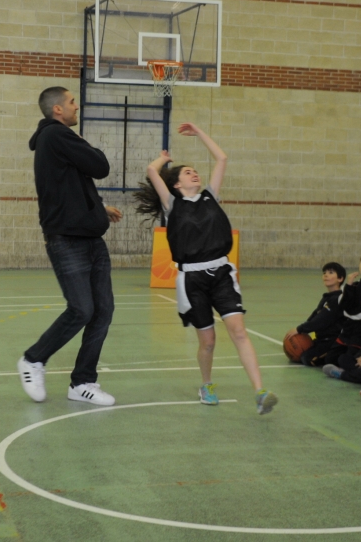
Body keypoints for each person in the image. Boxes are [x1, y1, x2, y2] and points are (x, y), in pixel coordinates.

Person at [134, 123, 278, 415]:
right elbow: (151, 170)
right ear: (177, 184)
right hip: (192, 279)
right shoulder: (172, 204)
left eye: (195, 171)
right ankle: (207, 384)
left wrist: (199, 133)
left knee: (238, 331)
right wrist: (164, 159)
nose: (194, 174)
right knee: (208, 342)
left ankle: (260, 391)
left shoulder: (211, 196)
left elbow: (222, 158)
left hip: (222, 273)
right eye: (188, 172)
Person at [18, 87, 124, 406]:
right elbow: (100, 166)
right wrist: (88, 148)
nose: (76, 106)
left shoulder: (55, 142)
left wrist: (97, 209)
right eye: (72, 102)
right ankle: (33, 359)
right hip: (67, 240)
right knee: (82, 309)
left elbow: (67, 186)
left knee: (102, 311)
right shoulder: (56, 134)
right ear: (57, 110)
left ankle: (83, 382)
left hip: (90, 239)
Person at [316, 249, 361, 371]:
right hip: (347, 330)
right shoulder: (354, 284)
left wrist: (347, 311)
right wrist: (348, 285)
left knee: (346, 360)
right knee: (330, 359)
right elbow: (342, 305)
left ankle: (351, 372)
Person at [287, 263, 346, 368]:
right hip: (322, 340)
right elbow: (315, 316)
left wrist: (300, 328)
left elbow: (321, 320)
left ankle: (340, 355)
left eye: (330, 272)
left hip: (333, 341)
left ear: (340, 278)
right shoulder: (327, 297)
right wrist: (302, 332)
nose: (326, 275)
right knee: (300, 354)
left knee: (307, 358)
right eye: (324, 273)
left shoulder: (338, 299)